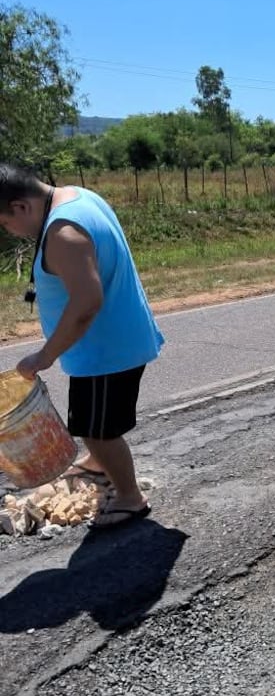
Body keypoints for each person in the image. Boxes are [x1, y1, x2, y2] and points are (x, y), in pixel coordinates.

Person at [0, 164, 164, 528]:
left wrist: (44, 355)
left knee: (99, 430)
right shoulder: (77, 196)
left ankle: (130, 497)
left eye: (5, 222)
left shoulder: (63, 231)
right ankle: (96, 463)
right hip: (106, 343)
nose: (8, 231)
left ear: (21, 206)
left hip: (106, 351)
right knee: (90, 419)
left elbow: (87, 303)